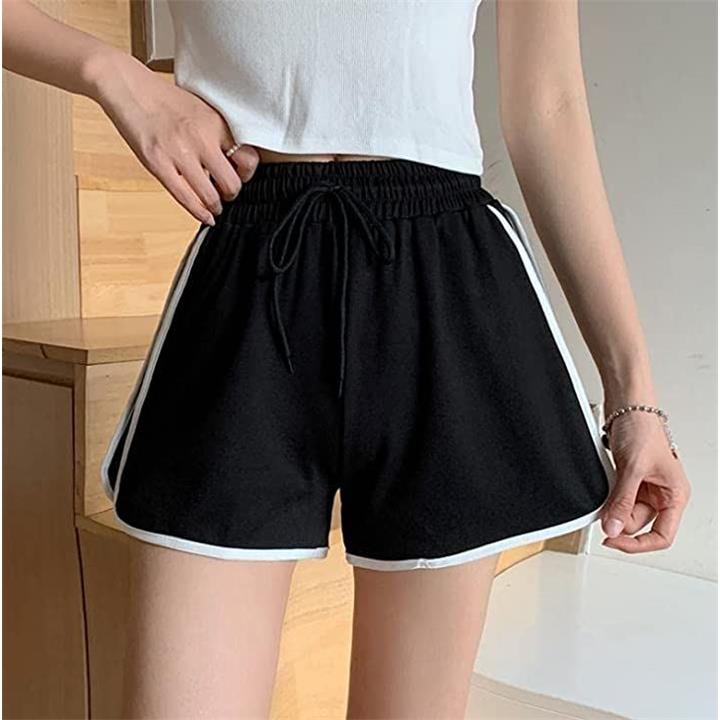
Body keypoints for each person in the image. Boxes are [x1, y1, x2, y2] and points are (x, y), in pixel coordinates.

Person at [3, 0, 691, 717]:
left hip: (442, 296)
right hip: (250, 281)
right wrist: (113, 73)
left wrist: (634, 397)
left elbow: (550, 107)